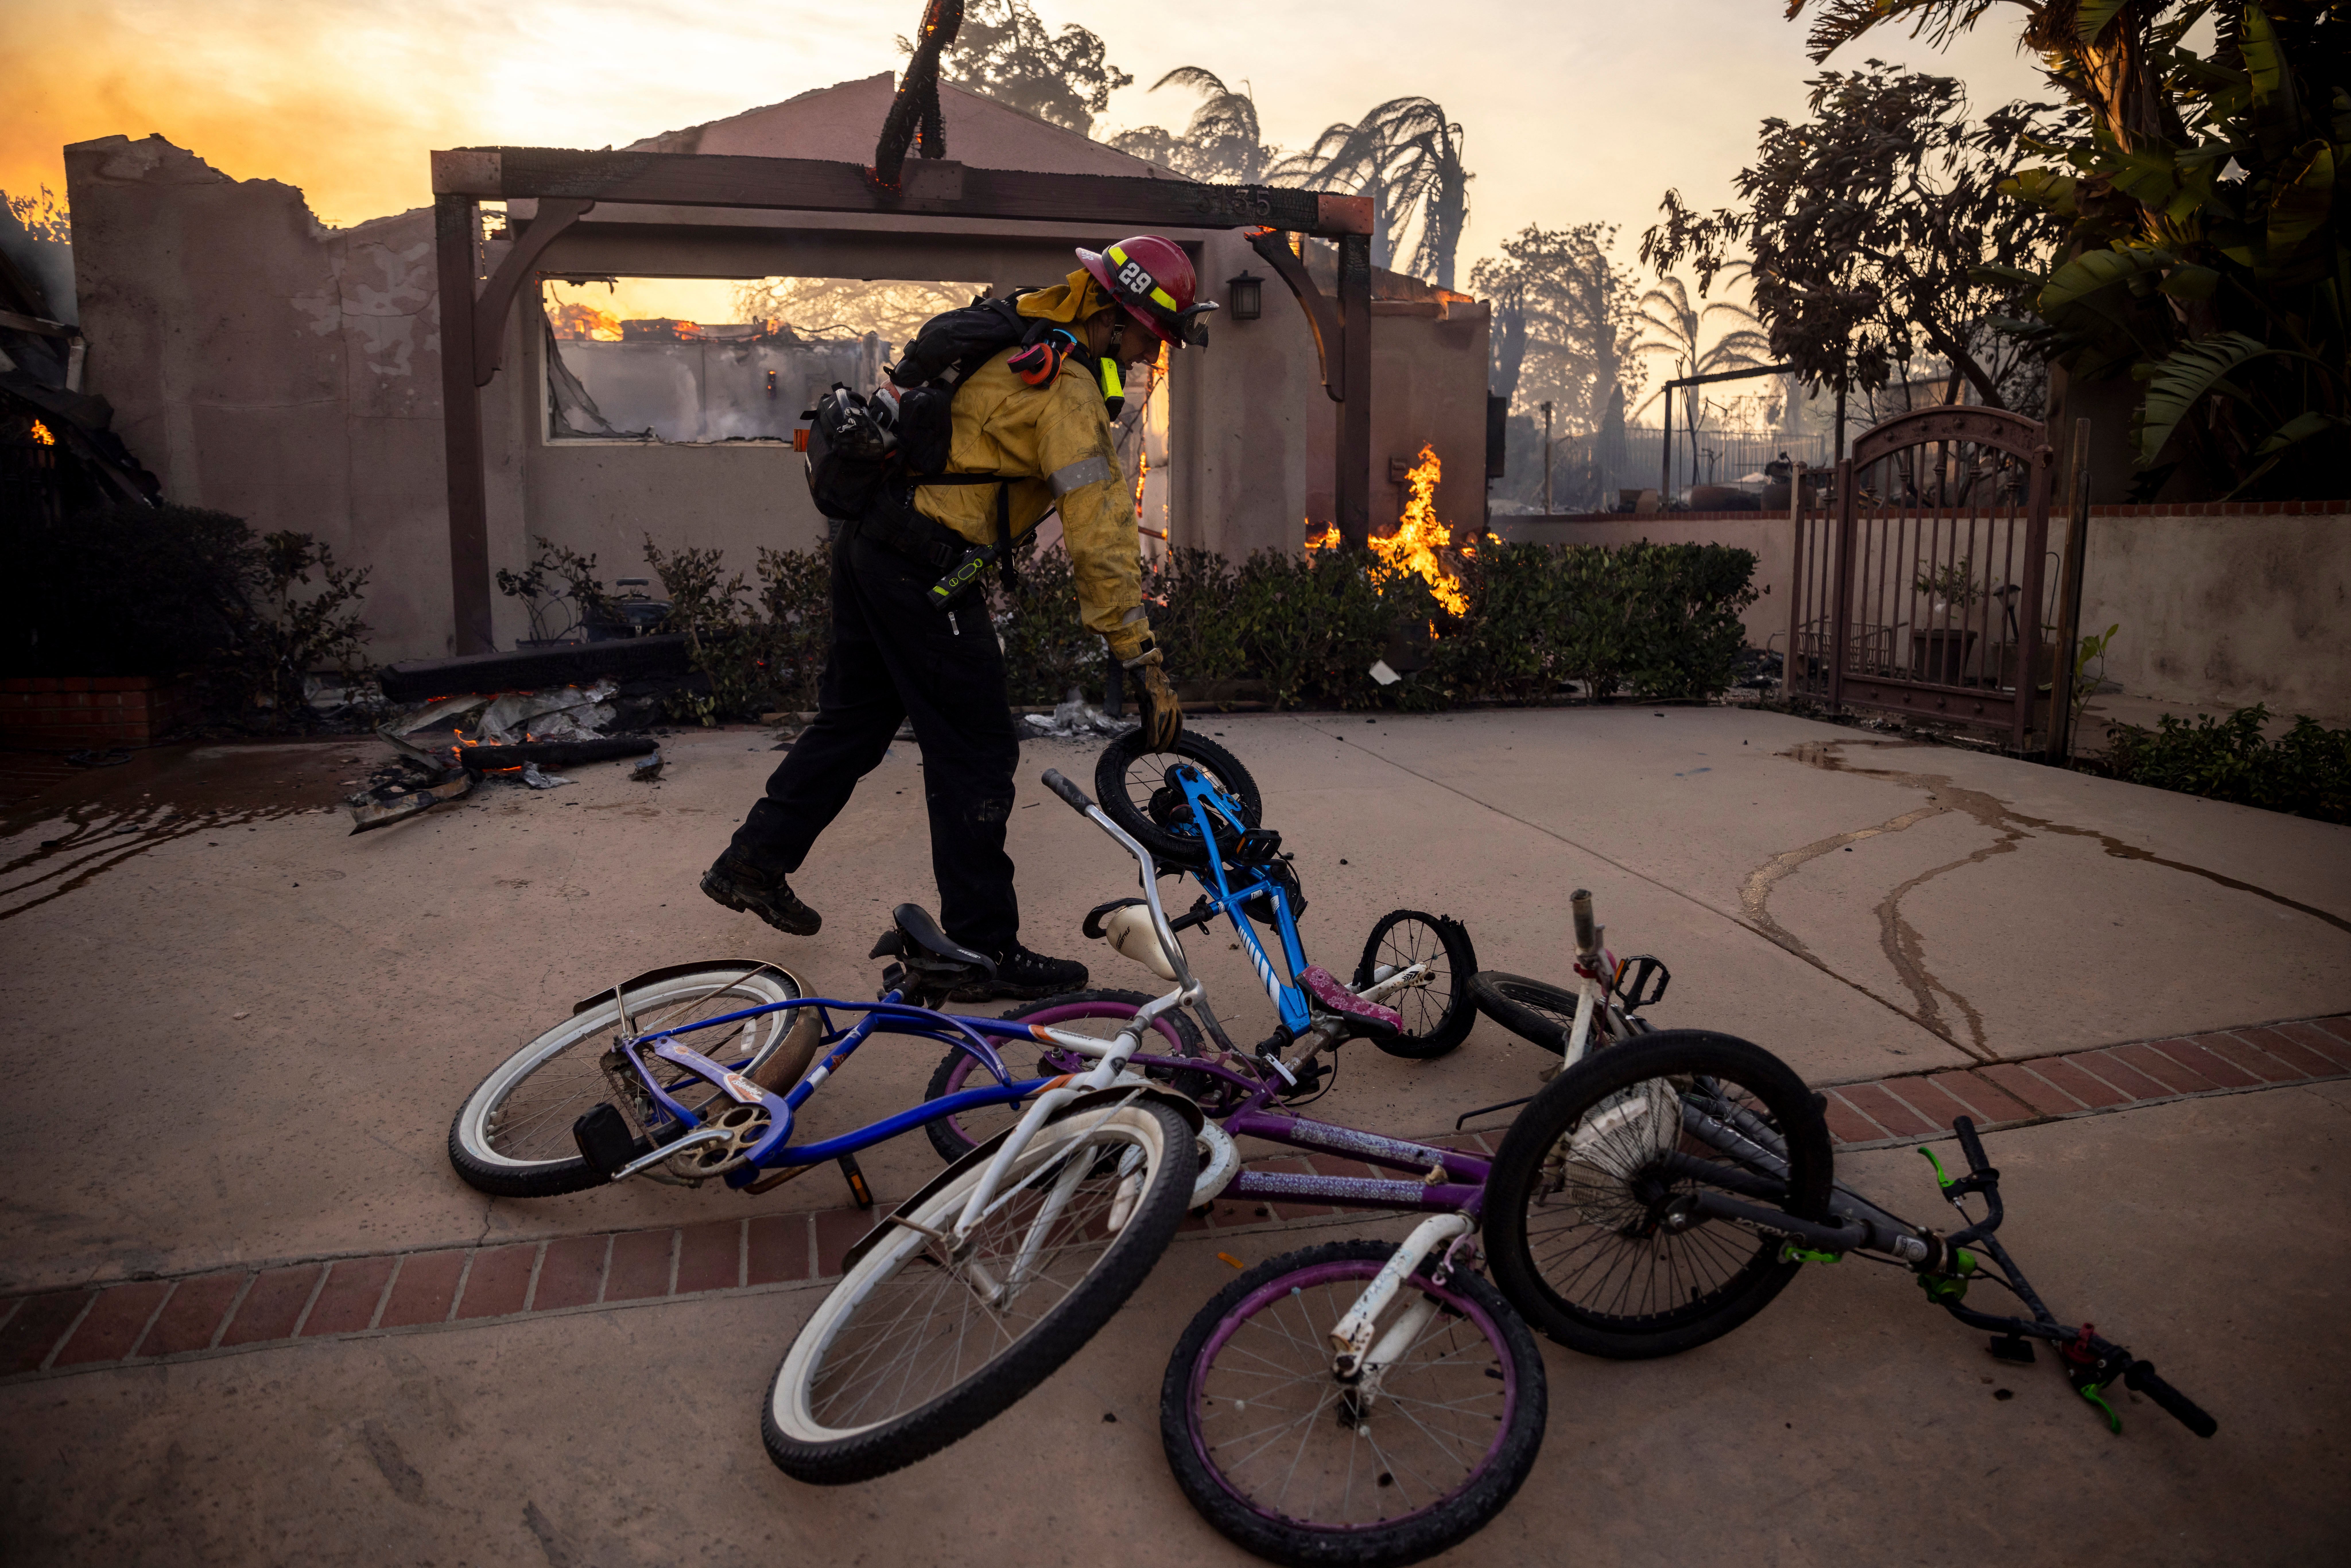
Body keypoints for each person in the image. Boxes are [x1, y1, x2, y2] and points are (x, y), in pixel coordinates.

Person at [702, 236, 1204, 1000]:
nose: (1145, 357)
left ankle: (753, 862)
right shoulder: (1065, 391)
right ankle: (981, 949)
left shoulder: (1015, 336)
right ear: (1110, 313)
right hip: (925, 572)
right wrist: (1142, 660)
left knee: (854, 724)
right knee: (975, 751)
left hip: (872, 541)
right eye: (1144, 336)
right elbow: (1100, 538)